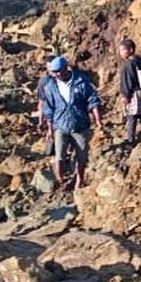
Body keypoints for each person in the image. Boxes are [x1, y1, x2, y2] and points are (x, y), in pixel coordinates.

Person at [42, 56, 103, 191]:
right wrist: (49, 129)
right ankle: (60, 181)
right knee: (59, 155)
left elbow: (92, 100)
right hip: (60, 125)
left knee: (82, 156)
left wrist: (98, 121)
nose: (57, 74)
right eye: (54, 71)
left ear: (66, 68)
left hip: (79, 125)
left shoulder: (80, 81)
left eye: (59, 71)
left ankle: (79, 180)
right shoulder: (51, 86)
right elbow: (49, 109)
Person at [118, 39, 141, 146]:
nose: (121, 53)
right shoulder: (140, 60)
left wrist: (126, 95)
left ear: (130, 50)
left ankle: (131, 141)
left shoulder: (128, 64)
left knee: (131, 118)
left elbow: (128, 81)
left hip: (134, 94)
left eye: (123, 50)